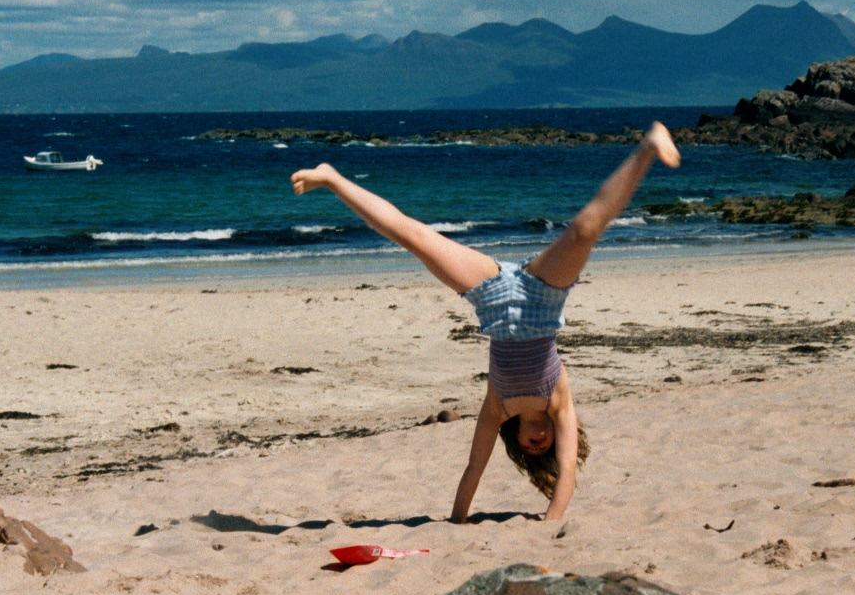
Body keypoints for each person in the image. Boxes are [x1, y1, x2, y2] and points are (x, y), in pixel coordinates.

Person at [290, 122, 680, 523]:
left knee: (414, 237)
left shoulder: (498, 407)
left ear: (516, 442)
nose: (538, 443)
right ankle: (647, 148)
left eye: (530, 449)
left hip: (491, 297)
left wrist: (456, 521)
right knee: (584, 230)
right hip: (541, 296)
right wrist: (553, 521)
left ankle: (332, 179)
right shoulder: (561, 404)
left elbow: (474, 469)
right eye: (542, 447)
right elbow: (567, 475)